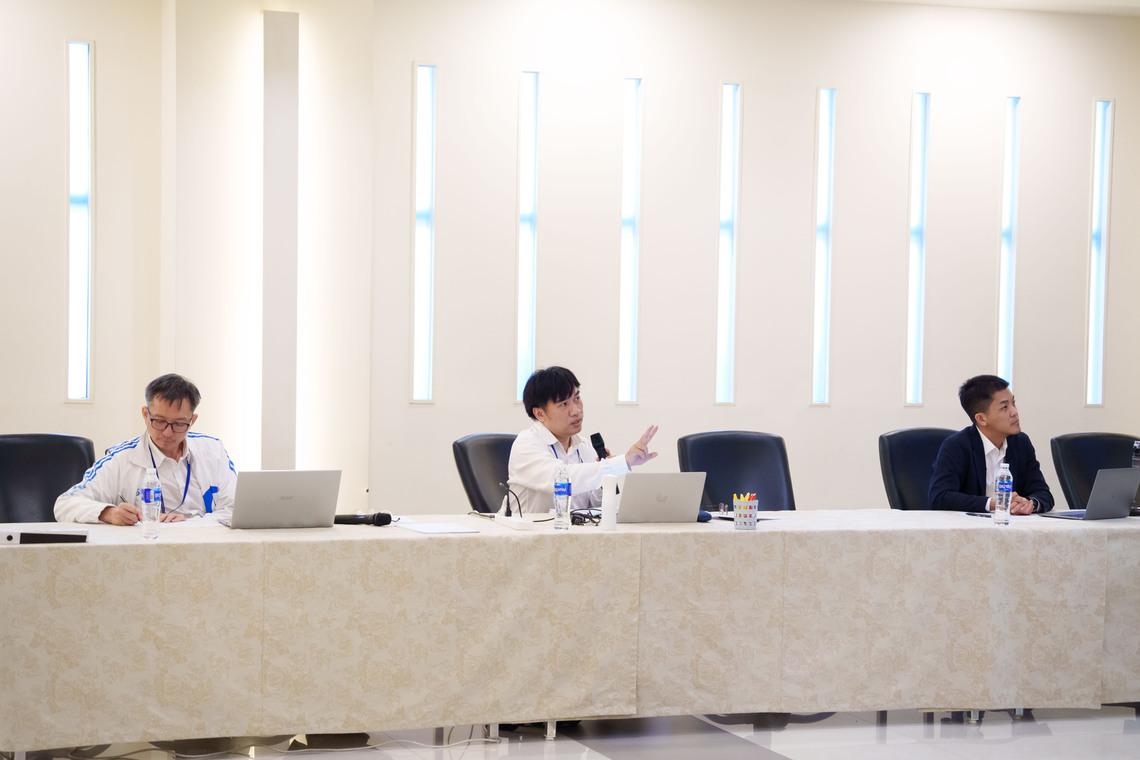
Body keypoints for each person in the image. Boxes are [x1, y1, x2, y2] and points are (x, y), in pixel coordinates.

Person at [55, 373, 237, 524]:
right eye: (159, 421)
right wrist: (110, 513)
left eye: (179, 424)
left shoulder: (213, 450)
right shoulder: (120, 459)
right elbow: (65, 504)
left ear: (192, 421)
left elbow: (235, 508)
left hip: (205, 545)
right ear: (145, 414)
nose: (167, 432)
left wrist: (190, 524)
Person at [504, 366, 658, 515]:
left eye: (577, 398)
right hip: (532, 531)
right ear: (540, 414)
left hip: (573, 530)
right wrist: (621, 462)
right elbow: (562, 480)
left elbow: (590, 506)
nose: (576, 410)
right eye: (564, 404)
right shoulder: (526, 444)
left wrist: (605, 482)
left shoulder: (583, 445)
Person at [928, 374, 1053, 514]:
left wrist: (1030, 504)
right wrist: (995, 504)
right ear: (981, 419)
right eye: (1004, 407)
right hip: (970, 526)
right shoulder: (956, 446)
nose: (1014, 412)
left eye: (1013, 403)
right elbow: (940, 497)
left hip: (1011, 525)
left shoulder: (1020, 443)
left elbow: (1043, 494)